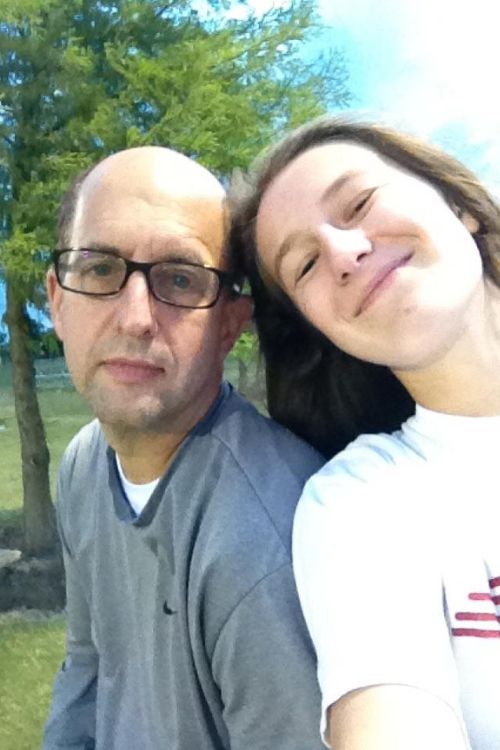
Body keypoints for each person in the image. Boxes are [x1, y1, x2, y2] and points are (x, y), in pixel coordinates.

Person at [229, 115, 500, 750]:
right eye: (303, 265)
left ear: (459, 205)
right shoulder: (362, 505)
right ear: (320, 329)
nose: (343, 252)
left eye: (360, 202)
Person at [42, 145, 326, 750]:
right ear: (56, 300)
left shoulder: (270, 539)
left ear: (230, 323)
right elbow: (87, 665)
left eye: (178, 279)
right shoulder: (83, 465)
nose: (136, 317)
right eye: (99, 269)